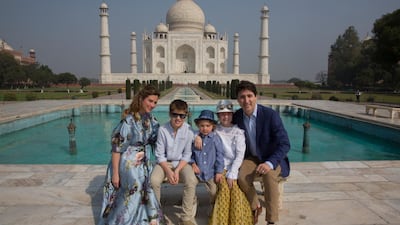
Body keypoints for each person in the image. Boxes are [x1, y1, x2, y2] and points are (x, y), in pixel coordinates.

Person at [98, 84, 165, 225]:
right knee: (137, 185)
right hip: (127, 162)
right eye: (150, 101)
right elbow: (117, 149)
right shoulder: (128, 121)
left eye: (155, 102)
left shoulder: (150, 120)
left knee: (147, 184)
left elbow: (162, 137)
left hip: (143, 162)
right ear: (141, 99)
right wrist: (115, 173)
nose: (153, 105)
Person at [232, 80, 291, 225]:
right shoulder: (238, 116)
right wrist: (199, 137)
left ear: (256, 97)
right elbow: (222, 130)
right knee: (241, 177)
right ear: (238, 100)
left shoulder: (270, 115)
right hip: (252, 157)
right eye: (242, 97)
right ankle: (255, 206)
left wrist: (270, 163)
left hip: (271, 157)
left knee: (269, 175)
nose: (246, 100)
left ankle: (271, 220)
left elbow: (284, 143)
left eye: (249, 96)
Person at [150, 99, 198, 225]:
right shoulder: (163, 130)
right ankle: (156, 214)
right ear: (170, 114)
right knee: (153, 181)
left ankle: (186, 217)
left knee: (191, 180)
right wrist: (168, 171)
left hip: (181, 163)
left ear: (186, 115)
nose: (178, 118)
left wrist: (176, 171)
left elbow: (187, 154)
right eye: (175, 114)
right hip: (164, 163)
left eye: (182, 116)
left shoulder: (188, 130)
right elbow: (159, 155)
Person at [208, 100, 253, 225]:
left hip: (235, 167)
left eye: (228, 114)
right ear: (218, 115)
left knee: (236, 190)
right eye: (222, 114)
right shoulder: (214, 130)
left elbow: (240, 155)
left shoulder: (238, 132)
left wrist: (232, 173)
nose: (225, 116)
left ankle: (238, 220)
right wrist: (197, 137)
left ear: (232, 115)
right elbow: (201, 132)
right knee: (224, 188)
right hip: (219, 167)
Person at [191, 110, 225, 218]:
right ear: (198, 126)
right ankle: (190, 212)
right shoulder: (195, 139)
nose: (205, 128)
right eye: (202, 126)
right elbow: (190, 154)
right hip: (197, 171)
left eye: (207, 126)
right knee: (190, 187)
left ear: (213, 126)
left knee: (214, 191)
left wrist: (219, 171)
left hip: (210, 172)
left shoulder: (215, 139)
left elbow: (220, 156)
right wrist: (192, 164)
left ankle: (213, 208)